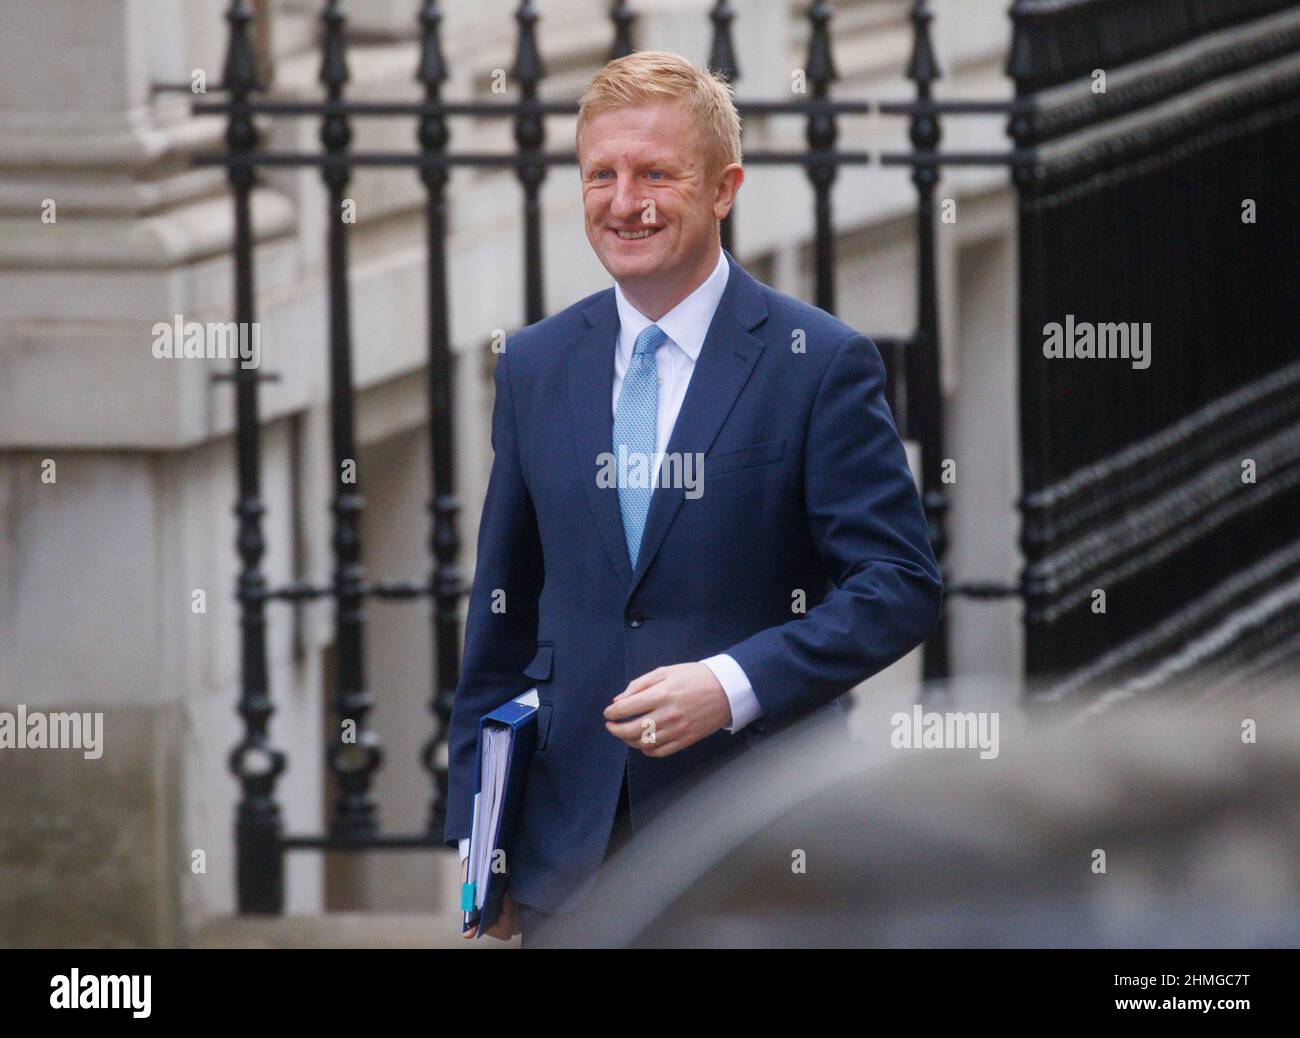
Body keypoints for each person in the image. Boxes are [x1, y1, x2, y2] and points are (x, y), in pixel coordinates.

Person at [447, 50, 942, 942]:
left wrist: (731, 683)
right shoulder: (534, 365)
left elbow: (898, 585)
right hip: (570, 857)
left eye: (656, 174)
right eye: (602, 174)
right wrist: (487, 848)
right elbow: (503, 619)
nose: (623, 201)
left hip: (758, 843)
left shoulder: (818, 363)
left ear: (723, 188)